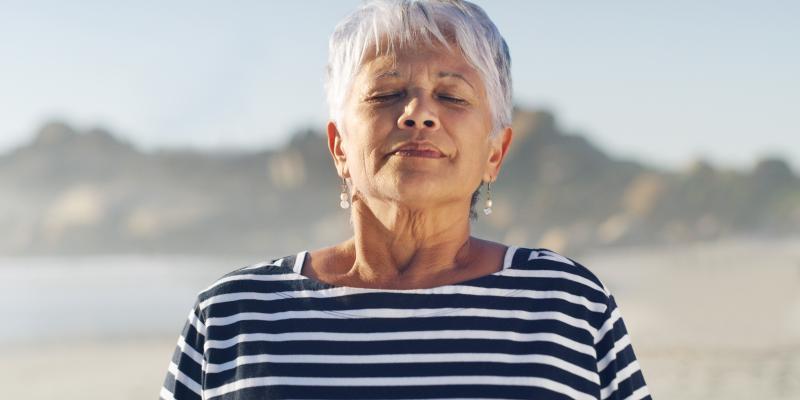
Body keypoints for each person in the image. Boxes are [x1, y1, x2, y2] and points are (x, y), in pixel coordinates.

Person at [160, 1, 651, 399]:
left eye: (453, 97)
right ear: (339, 148)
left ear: (494, 153)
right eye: (387, 93)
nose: (418, 114)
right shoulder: (235, 315)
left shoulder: (565, 304)